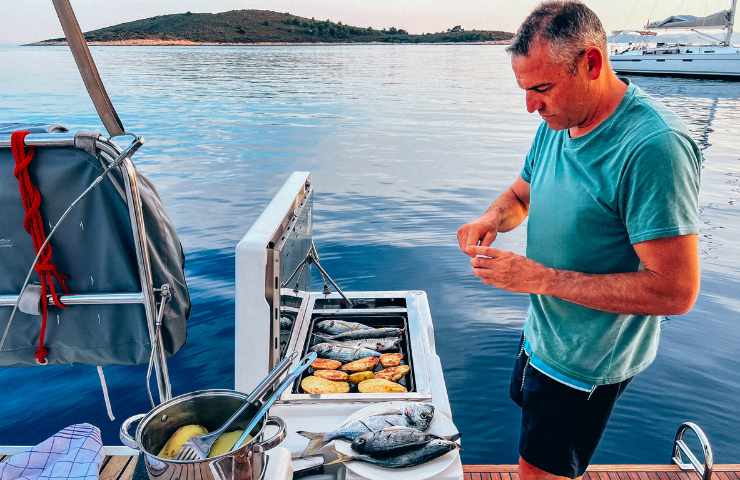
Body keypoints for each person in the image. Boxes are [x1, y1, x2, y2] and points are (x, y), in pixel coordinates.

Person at [456, 2, 702, 479]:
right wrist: (490, 218)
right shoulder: (560, 121)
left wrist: (539, 279)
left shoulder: (653, 147)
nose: (531, 105)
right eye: (525, 90)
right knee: (534, 452)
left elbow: (675, 291)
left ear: (591, 63)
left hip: (585, 362)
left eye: (542, 88)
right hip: (542, 338)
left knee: (540, 471)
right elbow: (520, 195)